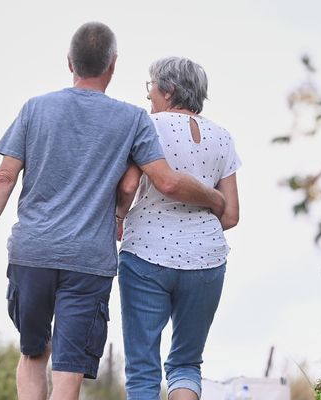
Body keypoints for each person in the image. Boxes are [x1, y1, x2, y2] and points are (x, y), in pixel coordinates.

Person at [0, 24, 225, 400]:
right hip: (89, 260)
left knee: (33, 354)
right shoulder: (133, 119)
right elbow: (152, 181)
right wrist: (120, 214)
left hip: (32, 253)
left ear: (70, 62)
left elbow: (3, 178)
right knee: (69, 371)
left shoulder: (35, 108)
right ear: (113, 66)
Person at [116, 57, 241, 400]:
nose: (148, 95)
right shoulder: (223, 136)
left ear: (168, 90)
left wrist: (117, 218)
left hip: (145, 255)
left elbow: (128, 188)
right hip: (206, 260)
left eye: (151, 86)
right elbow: (230, 215)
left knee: (143, 367)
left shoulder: (148, 125)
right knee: (186, 364)